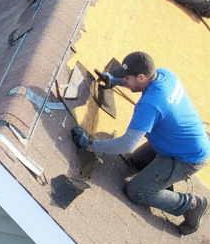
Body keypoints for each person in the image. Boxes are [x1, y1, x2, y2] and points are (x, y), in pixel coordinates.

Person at [71, 51, 210, 234]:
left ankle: (192, 205)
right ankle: (162, 177)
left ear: (142, 77)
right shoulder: (163, 74)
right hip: (178, 139)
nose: (125, 81)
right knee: (137, 161)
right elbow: (136, 83)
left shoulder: (150, 105)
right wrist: (114, 80)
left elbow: (128, 143)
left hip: (187, 157)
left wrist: (91, 145)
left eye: (126, 78)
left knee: (135, 191)